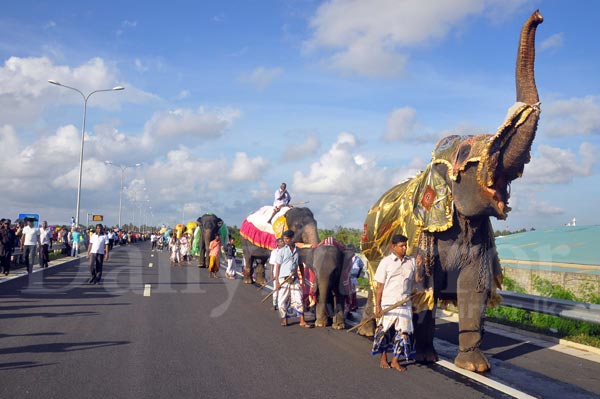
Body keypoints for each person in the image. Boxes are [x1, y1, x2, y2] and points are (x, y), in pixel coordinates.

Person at [371, 234, 416, 372]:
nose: (404, 248)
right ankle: (383, 358)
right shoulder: (386, 262)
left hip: (404, 303)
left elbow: (417, 280)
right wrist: (378, 306)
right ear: (393, 246)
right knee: (385, 332)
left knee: (404, 333)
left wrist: (420, 266)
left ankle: (396, 361)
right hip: (388, 304)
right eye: (401, 246)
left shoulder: (411, 262)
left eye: (405, 245)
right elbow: (379, 287)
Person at [274, 230, 311, 328]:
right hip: (284, 279)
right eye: (284, 239)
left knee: (298, 299)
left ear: (292, 239)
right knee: (281, 301)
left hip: (295, 279)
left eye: (287, 238)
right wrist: (277, 281)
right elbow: (277, 266)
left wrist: (302, 279)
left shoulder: (298, 251)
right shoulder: (281, 251)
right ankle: (284, 319)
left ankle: (302, 321)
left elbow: (300, 265)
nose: (285, 241)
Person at [269, 238, 284, 310]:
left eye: (283, 241)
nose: (282, 243)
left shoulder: (286, 251)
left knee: (283, 289)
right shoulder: (274, 252)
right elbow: (272, 264)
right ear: (277, 243)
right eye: (280, 242)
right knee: (276, 289)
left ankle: (282, 304)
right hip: (276, 272)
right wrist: (271, 274)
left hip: (284, 273)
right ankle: (274, 304)